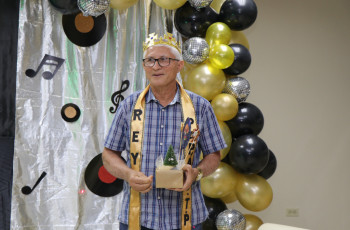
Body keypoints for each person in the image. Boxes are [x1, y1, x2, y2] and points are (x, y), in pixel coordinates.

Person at [102, 32, 227, 230]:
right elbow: (109, 154)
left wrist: (197, 172)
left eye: (164, 60)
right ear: (144, 66)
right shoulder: (129, 106)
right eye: (150, 61)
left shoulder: (200, 107)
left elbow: (213, 155)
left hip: (187, 217)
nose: (156, 66)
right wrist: (128, 174)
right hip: (137, 217)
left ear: (179, 65)